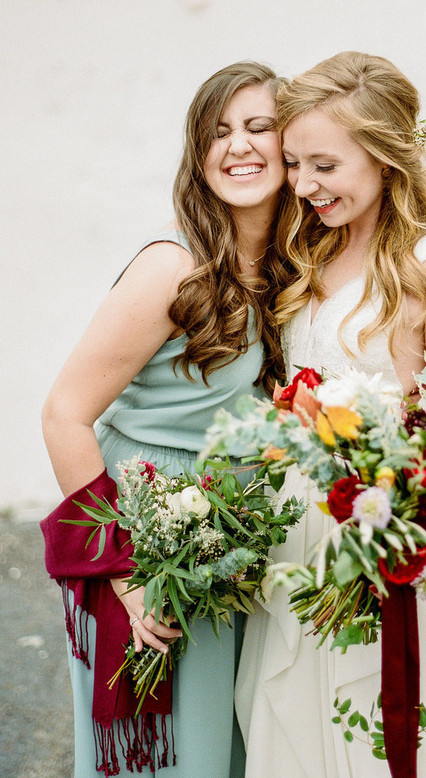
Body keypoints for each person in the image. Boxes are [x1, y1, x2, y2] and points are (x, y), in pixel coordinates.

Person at [235, 52, 426, 777]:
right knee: (288, 723)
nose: (303, 185)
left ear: (386, 157)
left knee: (385, 735)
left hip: (383, 547)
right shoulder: (303, 253)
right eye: (294, 164)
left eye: (324, 165)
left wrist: (393, 505)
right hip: (295, 540)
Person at [41, 61, 292, 777]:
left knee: (221, 744)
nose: (238, 146)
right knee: (172, 755)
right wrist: (122, 572)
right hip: (151, 529)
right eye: (218, 132)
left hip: (230, 533)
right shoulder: (173, 264)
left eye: (257, 127)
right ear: (198, 154)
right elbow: (63, 413)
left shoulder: (279, 265)